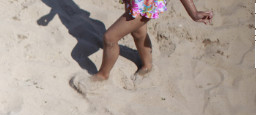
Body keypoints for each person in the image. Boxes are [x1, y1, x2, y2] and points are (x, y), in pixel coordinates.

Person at [71, 0, 213, 93]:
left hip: (145, 4)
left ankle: (102, 76)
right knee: (138, 32)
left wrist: (193, 13)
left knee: (110, 38)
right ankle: (147, 66)